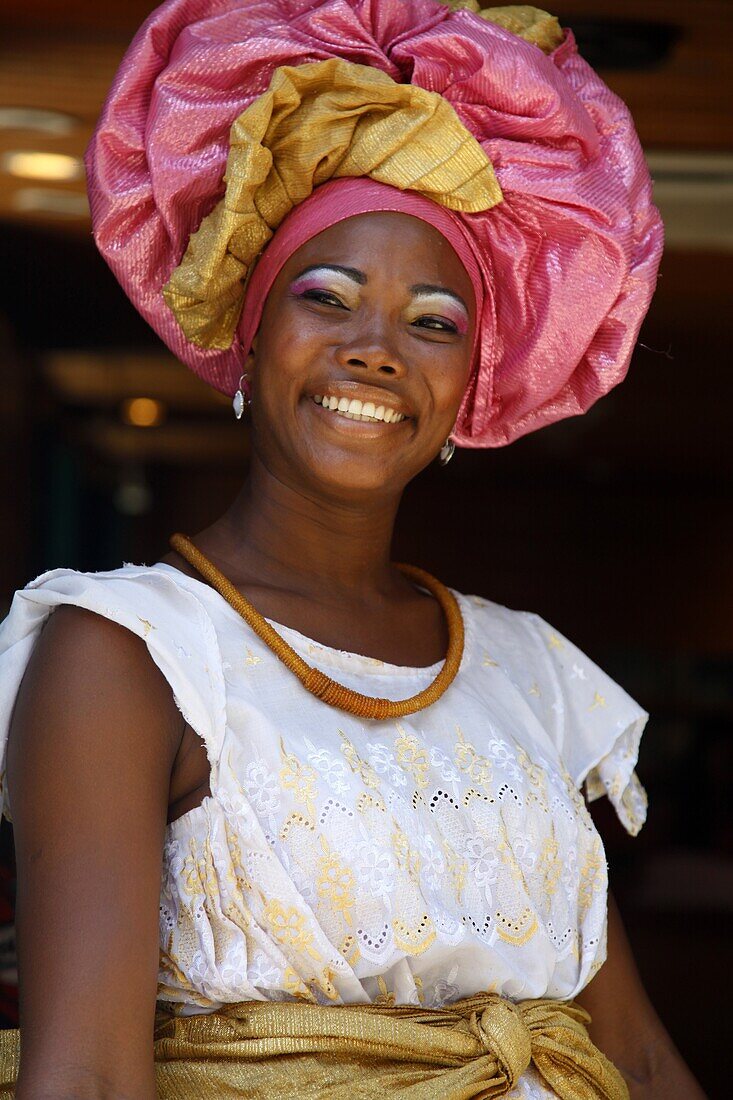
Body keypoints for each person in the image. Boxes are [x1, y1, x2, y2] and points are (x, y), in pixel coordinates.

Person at [0, 1, 707, 1097]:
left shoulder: (527, 668)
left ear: (468, 384)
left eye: (432, 321)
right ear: (247, 333)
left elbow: (641, 1053)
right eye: (324, 297)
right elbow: (85, 1077)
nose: (375, 349)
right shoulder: (131, 653)